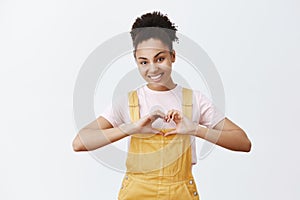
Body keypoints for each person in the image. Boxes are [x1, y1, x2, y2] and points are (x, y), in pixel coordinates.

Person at [72, 11, 252, 200]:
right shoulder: (128, 102)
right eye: (144, 62)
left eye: (160, 59)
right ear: (136, 61)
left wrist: (195, 129)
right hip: (136, 193)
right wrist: (131, 128)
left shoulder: (195, 100)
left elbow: (243, 142)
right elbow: (79, 142)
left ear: (173, 56)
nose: (153, 69)